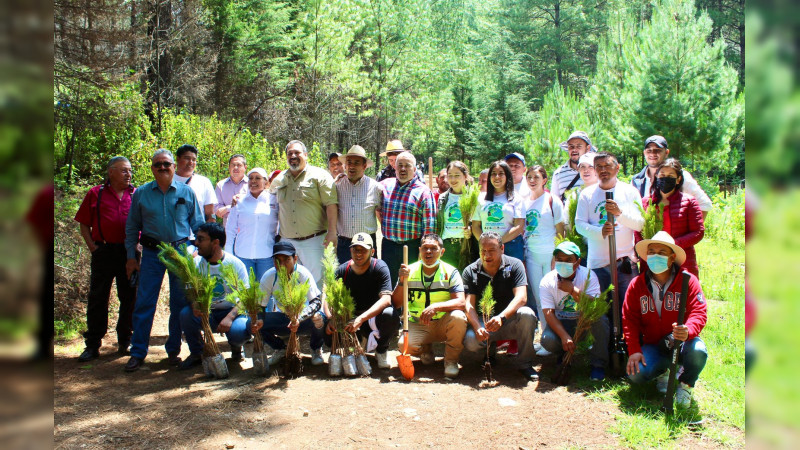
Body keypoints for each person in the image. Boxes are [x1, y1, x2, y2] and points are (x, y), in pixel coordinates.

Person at [123, 149, 204, 372]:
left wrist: (198, 252)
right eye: (157, 164)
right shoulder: (141, 193)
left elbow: (198, 226)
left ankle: (173, 351)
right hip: (151, 253)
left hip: (179, 253)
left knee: (179, 304)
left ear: (173, 166)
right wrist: (131, 257)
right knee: (144, 303)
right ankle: (138, 352)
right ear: (152, 168)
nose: (162, 168)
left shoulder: (187, 192)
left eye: (166, 164)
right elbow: (132, 227)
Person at [623, 231, 708, 408]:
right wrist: (634, 349)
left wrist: (688, 330)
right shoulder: (637, 284)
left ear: (672, 257)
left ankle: (685, 384)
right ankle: (663, 371)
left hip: (682, 342)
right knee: (636, 375)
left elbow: (699, 312)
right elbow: (629, 318)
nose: (655, 256)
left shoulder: (688, 281)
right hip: (653, 344)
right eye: (651, 252)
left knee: (698, 351)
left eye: (661, 253)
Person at [74, 156, 137, 361]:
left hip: (129, 254)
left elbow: (145, 223)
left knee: (129, 297)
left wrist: (138, 246)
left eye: (129, 170)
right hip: (103, 252)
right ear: (111, 172)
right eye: (124, 170)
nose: (129, 174)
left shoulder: (136, 194)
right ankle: (92, 344)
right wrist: (93, 247)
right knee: (98, 297)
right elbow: (84, 223)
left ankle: (125, 341)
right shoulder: (96, 193)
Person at [463, 232, 539, 381]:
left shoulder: (515, 265)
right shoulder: (470, 271)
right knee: (471, 340)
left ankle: (525, 363)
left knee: (527, 314)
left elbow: (521, 297)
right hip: (484, 323)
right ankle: (488, 354)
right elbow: (468, 305)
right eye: (483, 251)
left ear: (502, 248)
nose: (487, 255)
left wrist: (502, 317)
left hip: (509, 321)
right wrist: (477, 326)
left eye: (491, 250)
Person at [575, 152, 644, 313]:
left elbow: (640, 224)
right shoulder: (587, 194)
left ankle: (627, 339)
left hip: (625, 262)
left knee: (629, 309)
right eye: (599, 166)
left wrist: (620, 214)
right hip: (598, 264)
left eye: (607, 166)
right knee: (601, 310)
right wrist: (600, 232)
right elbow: (579, 224)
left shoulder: (629, 192)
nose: (603, 170)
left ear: (617, 168)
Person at [178, 223, 253, 370]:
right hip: (208, 312)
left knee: (240, 331)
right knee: (186, 315)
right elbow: (190, 291)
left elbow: (245, 297)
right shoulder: (195, 263)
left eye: (201, 239)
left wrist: (230, 317)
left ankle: (236, 347)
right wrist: (195, 304)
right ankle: (197, 353)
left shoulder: (235, 264)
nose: (196, 243)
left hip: (232, 311)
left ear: (215, 242)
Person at [392, 234, 466, 378]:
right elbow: (396, 303)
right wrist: (401, 281)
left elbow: (461, 302)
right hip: (418, 323)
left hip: (443, 322)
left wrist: (437, 307)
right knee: (403, 345)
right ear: (420, 250)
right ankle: (426, 350)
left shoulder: (451, 272)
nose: (428, 252)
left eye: (433, 248)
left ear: (442, 251)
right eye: (425, 248)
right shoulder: (409, 270)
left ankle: (451, 361)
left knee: (459, 317)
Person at [323, 233, 398, 369]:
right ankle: (349, 349)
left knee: (390, 314)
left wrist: (361, 319)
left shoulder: (379, 267)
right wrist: (330, 318)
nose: (359, 254)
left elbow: (386, 300)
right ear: (350, 250)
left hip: (371, 319)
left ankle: (381, 350)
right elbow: (327, 297)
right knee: (325, 326)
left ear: (372, 251)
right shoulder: (342, 270)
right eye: (355, 249)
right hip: (349, 319)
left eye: (363, 250)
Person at [269, 140, 338, 289]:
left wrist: (332, 232)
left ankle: (317, 312)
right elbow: (264, 196)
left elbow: (331, 204)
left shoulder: (320, 176)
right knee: (289, 283)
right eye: (289, 153)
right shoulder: (279, 179)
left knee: (317, 282)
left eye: (297, 153)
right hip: (287, 241)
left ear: (306, 155)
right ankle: (294, 312)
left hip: (314, 240)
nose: (293, 156)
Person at [539, 242, 609, 381]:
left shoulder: (589, 275)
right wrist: (564, 336)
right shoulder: (547, 281)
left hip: (584, 324)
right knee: (548, 340)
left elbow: (595, 306)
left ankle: (598, 364)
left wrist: (573, 290)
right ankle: (563, 355)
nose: (563, 263)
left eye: (568, 260)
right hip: (562, 323)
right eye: (559, 259)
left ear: (577, 262)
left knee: (601, 321)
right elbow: (548, 313)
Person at [254, 241, 325, 366]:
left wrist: (300, 317)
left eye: (287, 260)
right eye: (278, 260)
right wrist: (259, 319)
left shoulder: (303, 274)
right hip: (284, 319)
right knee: (252, 323)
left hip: (304, 319)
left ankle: (316, 349)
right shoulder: (269, 277)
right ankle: (280, 349)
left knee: (319, 318)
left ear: (295, 259)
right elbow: (261, 306)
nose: (282, 265)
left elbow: (316, 302)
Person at [521, 165, 566, 355]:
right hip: (531, 254)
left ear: (545, 180)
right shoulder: (523, 202)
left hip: (549, 254)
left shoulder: (552, 200)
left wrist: (557, 256)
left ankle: (558, 337)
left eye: (536, 177)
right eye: (529, 177)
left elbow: (560, 230)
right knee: (539, 298)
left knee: (553, 296)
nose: (532, 180)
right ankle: (545, 338)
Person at [635, 159, 704, 277]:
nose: (665, 178)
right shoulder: (646, 202)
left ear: (678, 179)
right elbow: (638, 230)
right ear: (656, 176)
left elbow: (698, 232)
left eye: (670, 176)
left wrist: (672, 245)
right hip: (652, 260)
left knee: (682, 291)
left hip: (681, 259)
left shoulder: (689, 202)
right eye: (662, 175)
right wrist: (649, 250)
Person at [379, 151, 437, 286]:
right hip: (388, 245)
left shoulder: (423, 192)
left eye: (407, 165)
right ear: (395, 167)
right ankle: (392, 307)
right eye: (400, 165)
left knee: (411, 283)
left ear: (415, 169)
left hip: (411, 246)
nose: (403, 169)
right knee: (389, 283)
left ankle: (409, 307)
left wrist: (425, 251)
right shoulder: (385, 185)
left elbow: (429, 228)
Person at [631, 135, 712, 220]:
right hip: (644, 231)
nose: (653, 154)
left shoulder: (680, 177)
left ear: (666, 152)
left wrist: (694, 229)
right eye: (649, 150)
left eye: (657, 150)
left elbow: (705, 204)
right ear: (644, 153)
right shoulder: (636, 180)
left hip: (674, 232)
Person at [225, 168, 279, 281]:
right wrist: (229, 254)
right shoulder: (239, 201)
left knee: (266, 292)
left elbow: (281, 226)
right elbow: (230, 230)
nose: (253, 181)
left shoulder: (274, 200)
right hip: (243, 255)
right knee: (245, 292)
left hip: (266, 255)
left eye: (258, 178)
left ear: (266, 182)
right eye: (250, 178)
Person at [334, 145, 383, 264]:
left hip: (367, 243)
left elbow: (381, 214)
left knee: (368, 279)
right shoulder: (337, 186)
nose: (351, 166)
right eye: (349, 162)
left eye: (356, 163)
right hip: (344, 244)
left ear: (364, 166)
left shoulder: (376, 188)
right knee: (343, 279)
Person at [471, 161, 525, 261]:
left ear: (507, 176)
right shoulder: (481, 198)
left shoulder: (516, 198)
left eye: (501, 173)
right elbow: (475, 226)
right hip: (486, 248)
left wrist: (498, 243)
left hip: (511, 247)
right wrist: (487, 243)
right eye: (493, 174)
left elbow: (519, 226)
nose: (496, 177)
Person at [436, 161, 477, 270]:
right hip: (447, 246)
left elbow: (478, 222)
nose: (453, 180)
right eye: (450, 176)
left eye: (457, 175)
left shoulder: (473, 196)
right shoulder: (443, 198)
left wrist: (471, 229)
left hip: (466, 246)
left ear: (465, 176)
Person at [173, 144, 218, 223]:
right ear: (177, 159)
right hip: (170, 233)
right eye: (187, 158)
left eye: (194, 160)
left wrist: (210, 233)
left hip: (196, 233)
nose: (191, 162)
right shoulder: (168, 180)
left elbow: (210, 214)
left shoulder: (204, 182)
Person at [551, 131, 596, 202]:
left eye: (579, 146)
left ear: (587, 148)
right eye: (571, 147)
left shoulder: (596, 171)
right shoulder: (558, 174)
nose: (574, 150)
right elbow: (555, 202)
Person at [214, 154, 248, 228]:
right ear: (229, 167)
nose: (235, 168)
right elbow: (217, 211)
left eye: (239, 165)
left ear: (245, 167)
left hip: (248, 230)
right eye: (233, 165)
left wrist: (227, 209)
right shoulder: (221, 185)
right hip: (228, 231)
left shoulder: (252, 185)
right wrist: (232, 207)